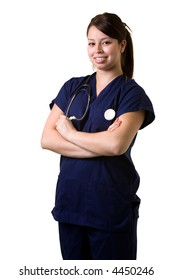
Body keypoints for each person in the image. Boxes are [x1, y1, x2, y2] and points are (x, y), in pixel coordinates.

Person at [41, 12, 155, 260]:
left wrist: (70, 133)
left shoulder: (131, 95)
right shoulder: (73, 88)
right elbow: (47, 140)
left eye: (106, 42)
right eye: (92, 43)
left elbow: (116, 145)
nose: (97, 50)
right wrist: (98, 143)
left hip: (110, 209)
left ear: (121, 45)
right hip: (71, 205)